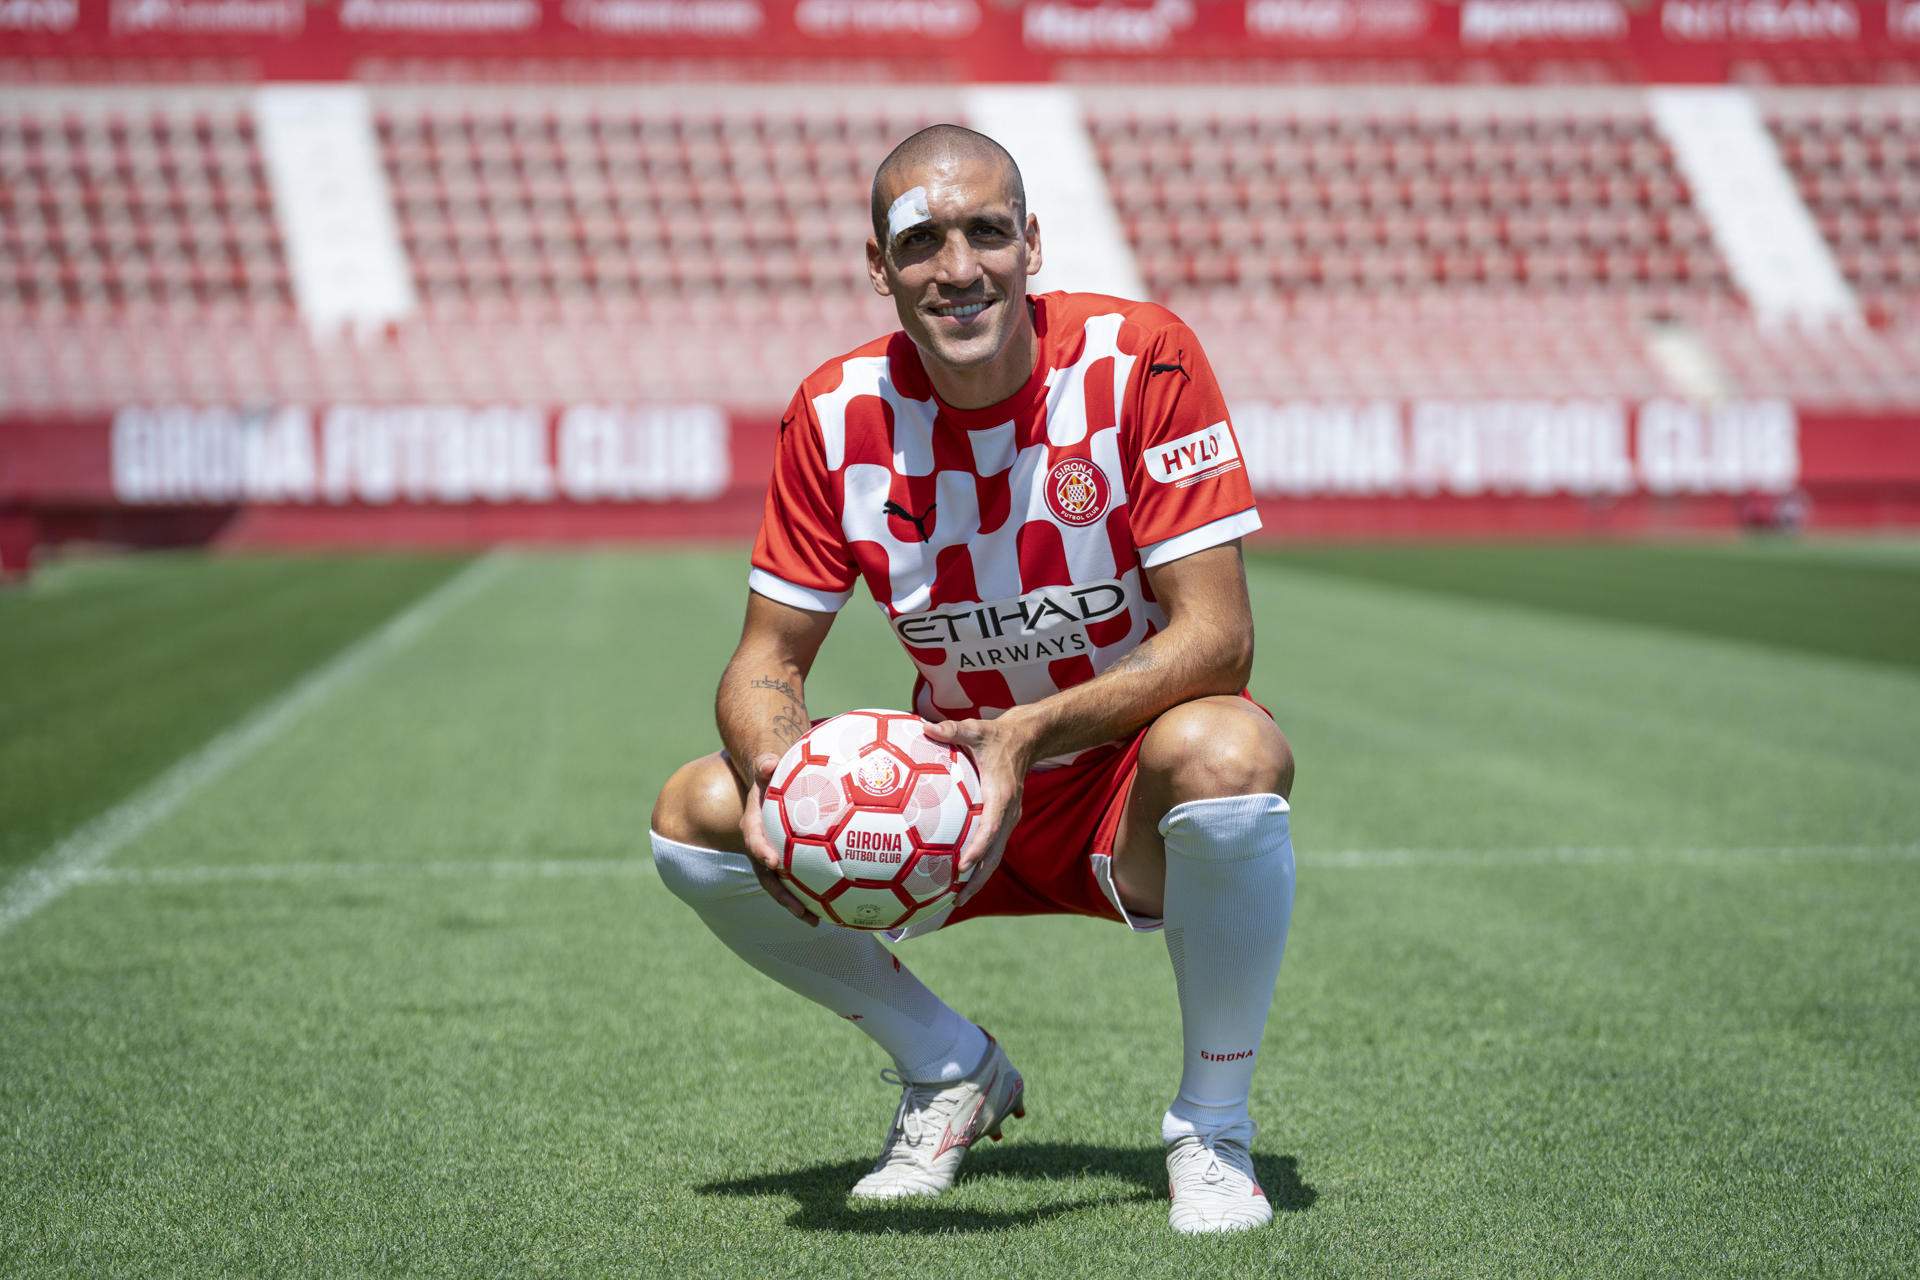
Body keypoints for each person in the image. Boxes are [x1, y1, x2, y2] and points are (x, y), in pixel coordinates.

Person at [649, 124, 1296, 1235]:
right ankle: (949, 1066)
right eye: (922, 241)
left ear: (1031, 243)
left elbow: (1219, 640)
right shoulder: (835, 410)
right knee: (698, 813)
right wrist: (775, 767)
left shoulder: (1142, 359)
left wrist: (1025, 735)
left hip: (1121, 782)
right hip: (941, 802)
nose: (959, 268)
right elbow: (767, 656)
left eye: (987, 232)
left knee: (1232, 750)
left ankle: (1213, 1129)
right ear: (877, 265)